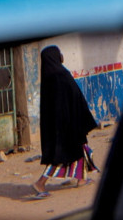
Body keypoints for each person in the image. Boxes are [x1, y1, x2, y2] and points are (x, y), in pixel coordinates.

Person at [31, 45, 98, 199]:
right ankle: (41, 182)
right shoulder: (61, 75)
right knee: (62, 155)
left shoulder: (49, 77)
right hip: (69, 122)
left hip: (61, 124)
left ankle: (81, 179)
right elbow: (74, 96)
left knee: (80, 147)